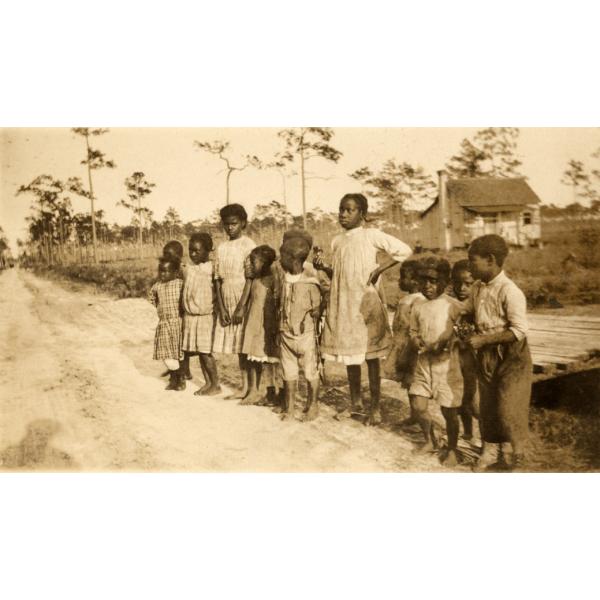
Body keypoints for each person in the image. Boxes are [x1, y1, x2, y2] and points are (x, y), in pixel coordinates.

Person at [314, 193, 412, 425]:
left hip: (365, 305)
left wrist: (380, 270)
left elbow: (404, 251)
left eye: (350, 210)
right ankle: (356, 404)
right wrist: (325, 268)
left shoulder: (371, 235)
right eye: (341, 209)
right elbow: (340, 274)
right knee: (351, 357)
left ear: (363, 214)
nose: (344, 214)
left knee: (370, 357)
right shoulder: (337, 241)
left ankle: (375, 408)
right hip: (344, 305)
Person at [465, 235, 532, 471]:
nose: (470, 266)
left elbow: (519, 330)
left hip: (511, 354)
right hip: (486, 354)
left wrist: (484, 339)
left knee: (508, 405)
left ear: (490, 260)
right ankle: (490, 450)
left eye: (473, 261)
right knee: (487, 405)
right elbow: (467, 312)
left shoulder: (509, 290)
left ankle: (513, 454)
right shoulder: (477, 288)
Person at [409, 257, 464, 466]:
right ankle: (430, 439)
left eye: (433, 281)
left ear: (444, 282)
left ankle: (452, 448)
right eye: (423, 282)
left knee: (448, 410)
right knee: (418, 403)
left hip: (446, 365)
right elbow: (413, 330)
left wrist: (448, 341)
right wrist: (415, 341)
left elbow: (462, 332)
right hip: (424, 362)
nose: (427, 286)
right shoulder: (418, 305)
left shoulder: (453, 306)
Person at [212, 203, 256, 398]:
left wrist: (241, 307)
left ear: (243, 223)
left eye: (234, 223)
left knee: (247, 346)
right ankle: (244, 387)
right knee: (239, 348)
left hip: (243, 298)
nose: (230, 227)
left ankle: (253, 388)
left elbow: (250, 278)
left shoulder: (249, 245)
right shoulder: (221, 248)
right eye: (227, 224)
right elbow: (217, 280)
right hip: (226, 297)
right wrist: (221, 308)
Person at [277, 236, 323, 422]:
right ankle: (289, 408)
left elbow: (317, 309)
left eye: (283, 257)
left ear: (294, 260)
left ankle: (312, 405)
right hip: (286, 335)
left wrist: (313, 316)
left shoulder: (311, 283)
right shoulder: (284, 281)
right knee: (288, 371)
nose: (280, 261)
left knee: (310, 370)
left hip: (306, 337)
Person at [383, 258, 425, 427]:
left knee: (414, 383)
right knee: (408, 382)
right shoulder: (405, 299)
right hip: (402, 345)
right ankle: (414, 415)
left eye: (403, 278)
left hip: (411, 347)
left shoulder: (419, 301)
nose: (400, 281)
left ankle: (421, 416)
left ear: (415, 281)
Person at [181, 232, 221, 396]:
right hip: (191, 317)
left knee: (205, 352)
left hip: (205, 317)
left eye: (197, 251)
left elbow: (218, 292)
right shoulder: (189, 269)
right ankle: (208, 383)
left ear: (208, 251)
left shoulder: (211, 269)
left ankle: (215, 384)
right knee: (199, 351)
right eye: (191, 250)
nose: (193, 254)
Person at [240, 244, 279, 405]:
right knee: (253, 359)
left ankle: (272, 393)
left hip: (267, 326)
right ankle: (254, 391)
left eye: (254, 262)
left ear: (265, 263)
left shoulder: (273, 280)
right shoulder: (255, 280)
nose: (251, 265)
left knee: (269, 362)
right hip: (254, 325)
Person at [450, 259, 479, 441]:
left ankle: (489, 442)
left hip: (473, 360)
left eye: (468, 284)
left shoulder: (478, 305)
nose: (462, 288)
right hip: (455, 359)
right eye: (457, 283)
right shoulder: (449, 304)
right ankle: (467, 432)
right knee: (459, 398)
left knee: (474, 400)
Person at [148, 256, 185, 391]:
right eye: (161, 271)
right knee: (166, 353)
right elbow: (151, 299)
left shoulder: (180, 284)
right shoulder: (157, 286)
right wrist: (157, 309)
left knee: (177, 352)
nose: (163, 274)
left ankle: (179, 379)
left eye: (166, 271)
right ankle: (174, 376)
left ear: (175, 272)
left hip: (177, 323)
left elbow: (186, 298)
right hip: (164, 323)